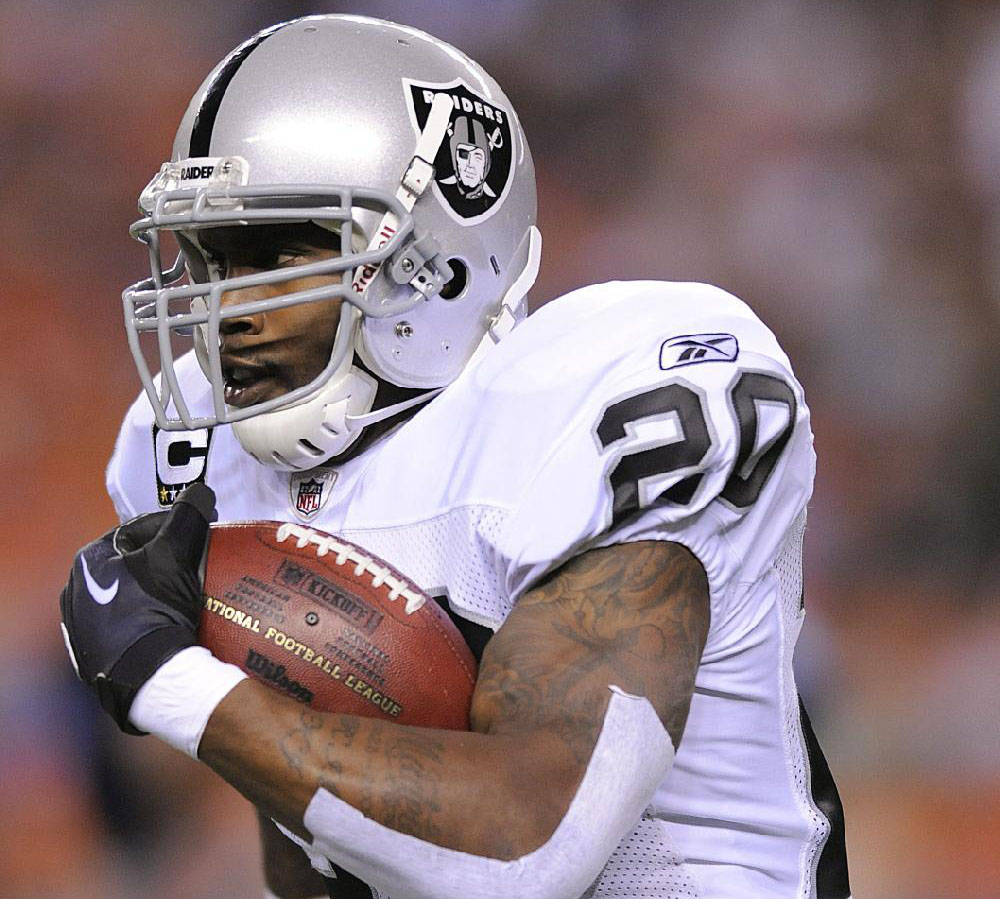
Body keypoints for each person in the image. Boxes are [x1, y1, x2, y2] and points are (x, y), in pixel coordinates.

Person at [60, 14, 851, 899]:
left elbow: (531, 851)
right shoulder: (200, 452)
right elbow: (315, 852)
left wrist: (168, 681)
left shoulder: (592, 399)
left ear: (428, 263)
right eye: (210, 260)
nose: (221, 309)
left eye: (274, 254)